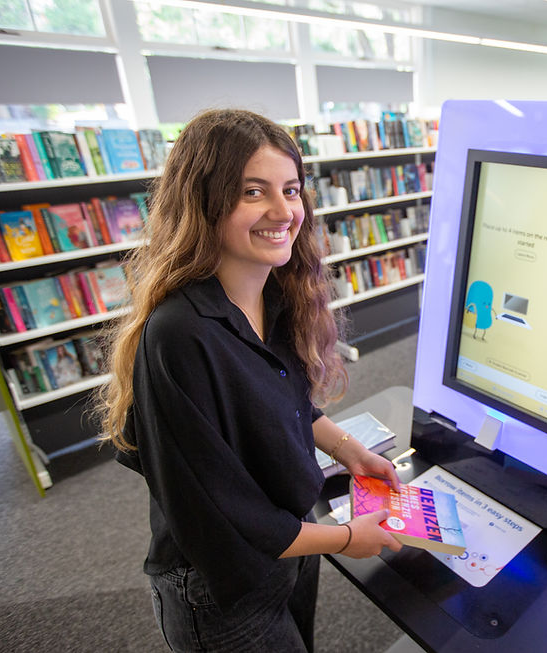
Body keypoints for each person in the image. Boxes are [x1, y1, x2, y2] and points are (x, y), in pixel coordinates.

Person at [98, 108, 402, 652]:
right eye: (253, 192)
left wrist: (349, 450)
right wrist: (348, 538)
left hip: (289, 543)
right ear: (204, 202)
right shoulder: (179, 336)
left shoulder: (275, 294)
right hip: (220, 585)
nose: (283, 211)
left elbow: (282, 400)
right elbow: (221, 516)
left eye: (291, 189)